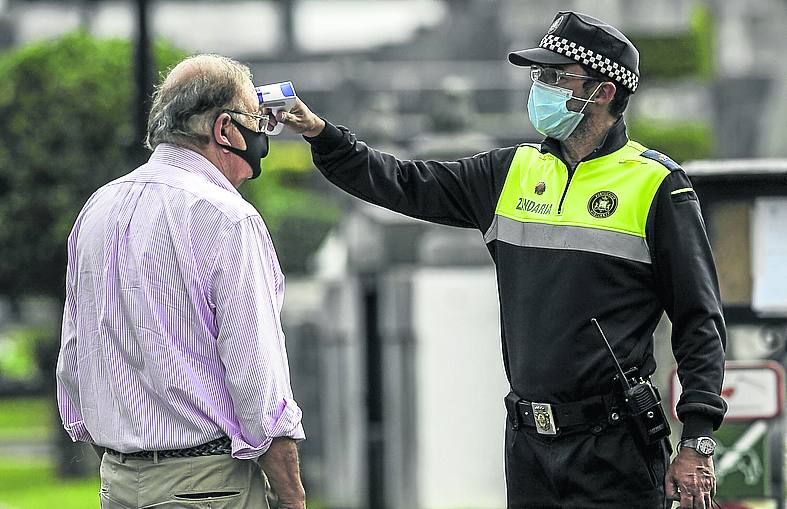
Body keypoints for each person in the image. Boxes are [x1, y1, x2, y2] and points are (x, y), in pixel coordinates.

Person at [273, 11, 726, 509]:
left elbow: (698, 321)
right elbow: (401, 181)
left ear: (602, 91)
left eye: (556, 77)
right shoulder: (510, 171)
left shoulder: (657, 185)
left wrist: (697, 440)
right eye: (539, 76)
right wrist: (320, 133)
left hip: (615, 451)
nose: (541, 88)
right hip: (529, 448)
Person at [56, 54, 306, 509]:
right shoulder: (228, 218)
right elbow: (258, 383)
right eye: (257, 122)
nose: (262, 138)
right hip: (206, 482)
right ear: (225, 130)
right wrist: (291, 496)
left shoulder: (97, 208)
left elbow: (74, 361)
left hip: (117, 481)